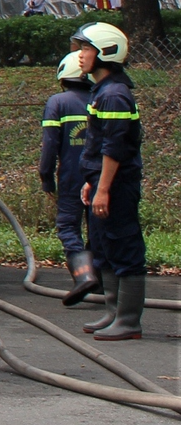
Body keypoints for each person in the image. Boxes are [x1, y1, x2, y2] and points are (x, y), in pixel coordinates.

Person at [71, 22, 146, 340]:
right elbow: (99, 146)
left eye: (86, 49)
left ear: (106, 52)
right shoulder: (102, 90)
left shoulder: (115, 94)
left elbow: (115, 147)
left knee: (124, 245)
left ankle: (128, 321)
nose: (80, 55)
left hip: (116, 185)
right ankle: (113, 311)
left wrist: (103, 187)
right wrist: (92, 181)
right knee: (104, 246)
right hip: (103, 182)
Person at [39, 52, 97, 303]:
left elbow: (50, 145)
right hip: (99, 176)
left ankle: (84, 276)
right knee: (97, 227)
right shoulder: (100, 98)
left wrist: (46, 176)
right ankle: (102, 279)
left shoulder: (58, 103)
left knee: (67, 226)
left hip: (72, 177)